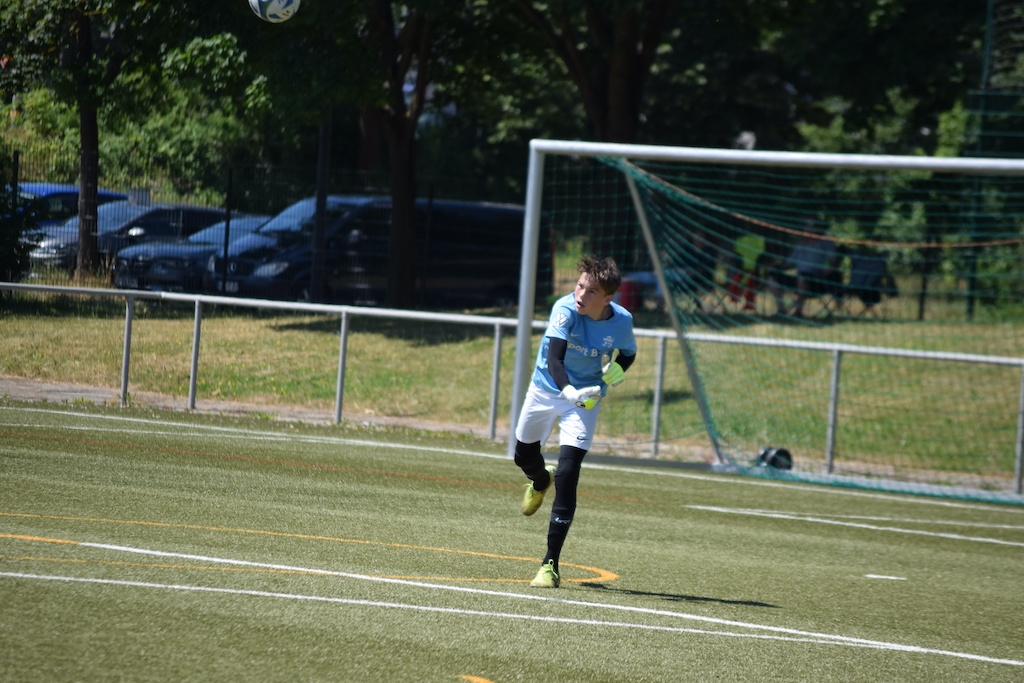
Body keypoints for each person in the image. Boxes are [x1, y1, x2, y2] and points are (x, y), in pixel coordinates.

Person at [513, 255, 637, 588]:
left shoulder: (622, 321)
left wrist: (619, 368)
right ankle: (540, 480)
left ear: (608, 298)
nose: (581, 294)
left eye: (591, 291)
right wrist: (567, 391)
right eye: (580, 285)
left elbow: (628, 352)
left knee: (569, 474)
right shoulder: (565, 309)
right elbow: (555, 359)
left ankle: (549, 565)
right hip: (546, 389)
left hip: (585, 401)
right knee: (523, 456)